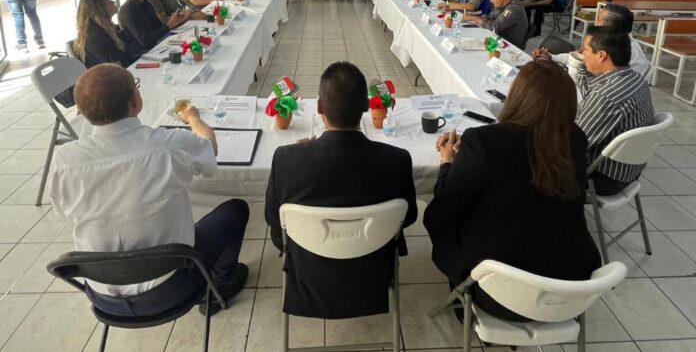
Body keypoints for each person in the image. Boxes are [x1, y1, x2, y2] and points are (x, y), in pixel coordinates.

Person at [49, 64, 249, 317]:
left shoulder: (65, 160)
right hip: (172, 287)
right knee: (236, 210)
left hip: (103, 296)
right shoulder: (168, 145)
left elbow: (61, 211)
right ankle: (222, 283)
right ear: (135, 101)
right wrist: (194, 119)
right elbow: (209, 150)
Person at [423, 59, 600, 322]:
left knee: (443, 216)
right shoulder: (575, 138)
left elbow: (448, 203)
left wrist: (449, 161)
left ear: (518, 97)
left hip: (500, 293)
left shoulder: (484, 142)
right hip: (570, 289)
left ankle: (463, 296)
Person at [264, 62, 417, 318]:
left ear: (319, 107)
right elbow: (409, 217)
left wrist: (301, 153)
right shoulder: (398, 160)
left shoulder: (285, 159)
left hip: (309, 266)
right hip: (372, 266)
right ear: (367, 107)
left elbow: (272, 219)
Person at [576, 25, 655, 195]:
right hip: (629, 171)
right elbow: (590, 93)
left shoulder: (606, 96)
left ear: (601, 55)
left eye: (585, 50)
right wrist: (583, 65)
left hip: (603, 178)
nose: (582, 53)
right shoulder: (636, 78)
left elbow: (575, 142)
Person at [533, 3, 652, 81]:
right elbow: (579, 58)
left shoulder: (628, 54)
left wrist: (562, 70)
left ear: (612, 28)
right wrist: (552, 58)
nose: (595, 23)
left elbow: (595, 83)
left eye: (599, 20)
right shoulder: (607, 40)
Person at [119, 0, 187, 50]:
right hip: (143, 52)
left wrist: (174, 20)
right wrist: (168, 26)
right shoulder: (128, 11)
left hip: (157, 44)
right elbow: (144, 40)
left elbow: (157, 25)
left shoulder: (145, 2)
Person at [73, 0, 140, 68]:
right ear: (99, 9)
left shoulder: (110, 28)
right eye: (109, 2)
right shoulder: (97, 37)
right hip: (113, 73)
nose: (114, 2)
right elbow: (115, 67)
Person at [465, 0, 529, 49]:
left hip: (509, 46)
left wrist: (473, 18)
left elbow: (494, 27)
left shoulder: (514, 8)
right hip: (499, 39)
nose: (491, 1)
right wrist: (474, 16)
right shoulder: (504, 2)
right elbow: (490, 17)